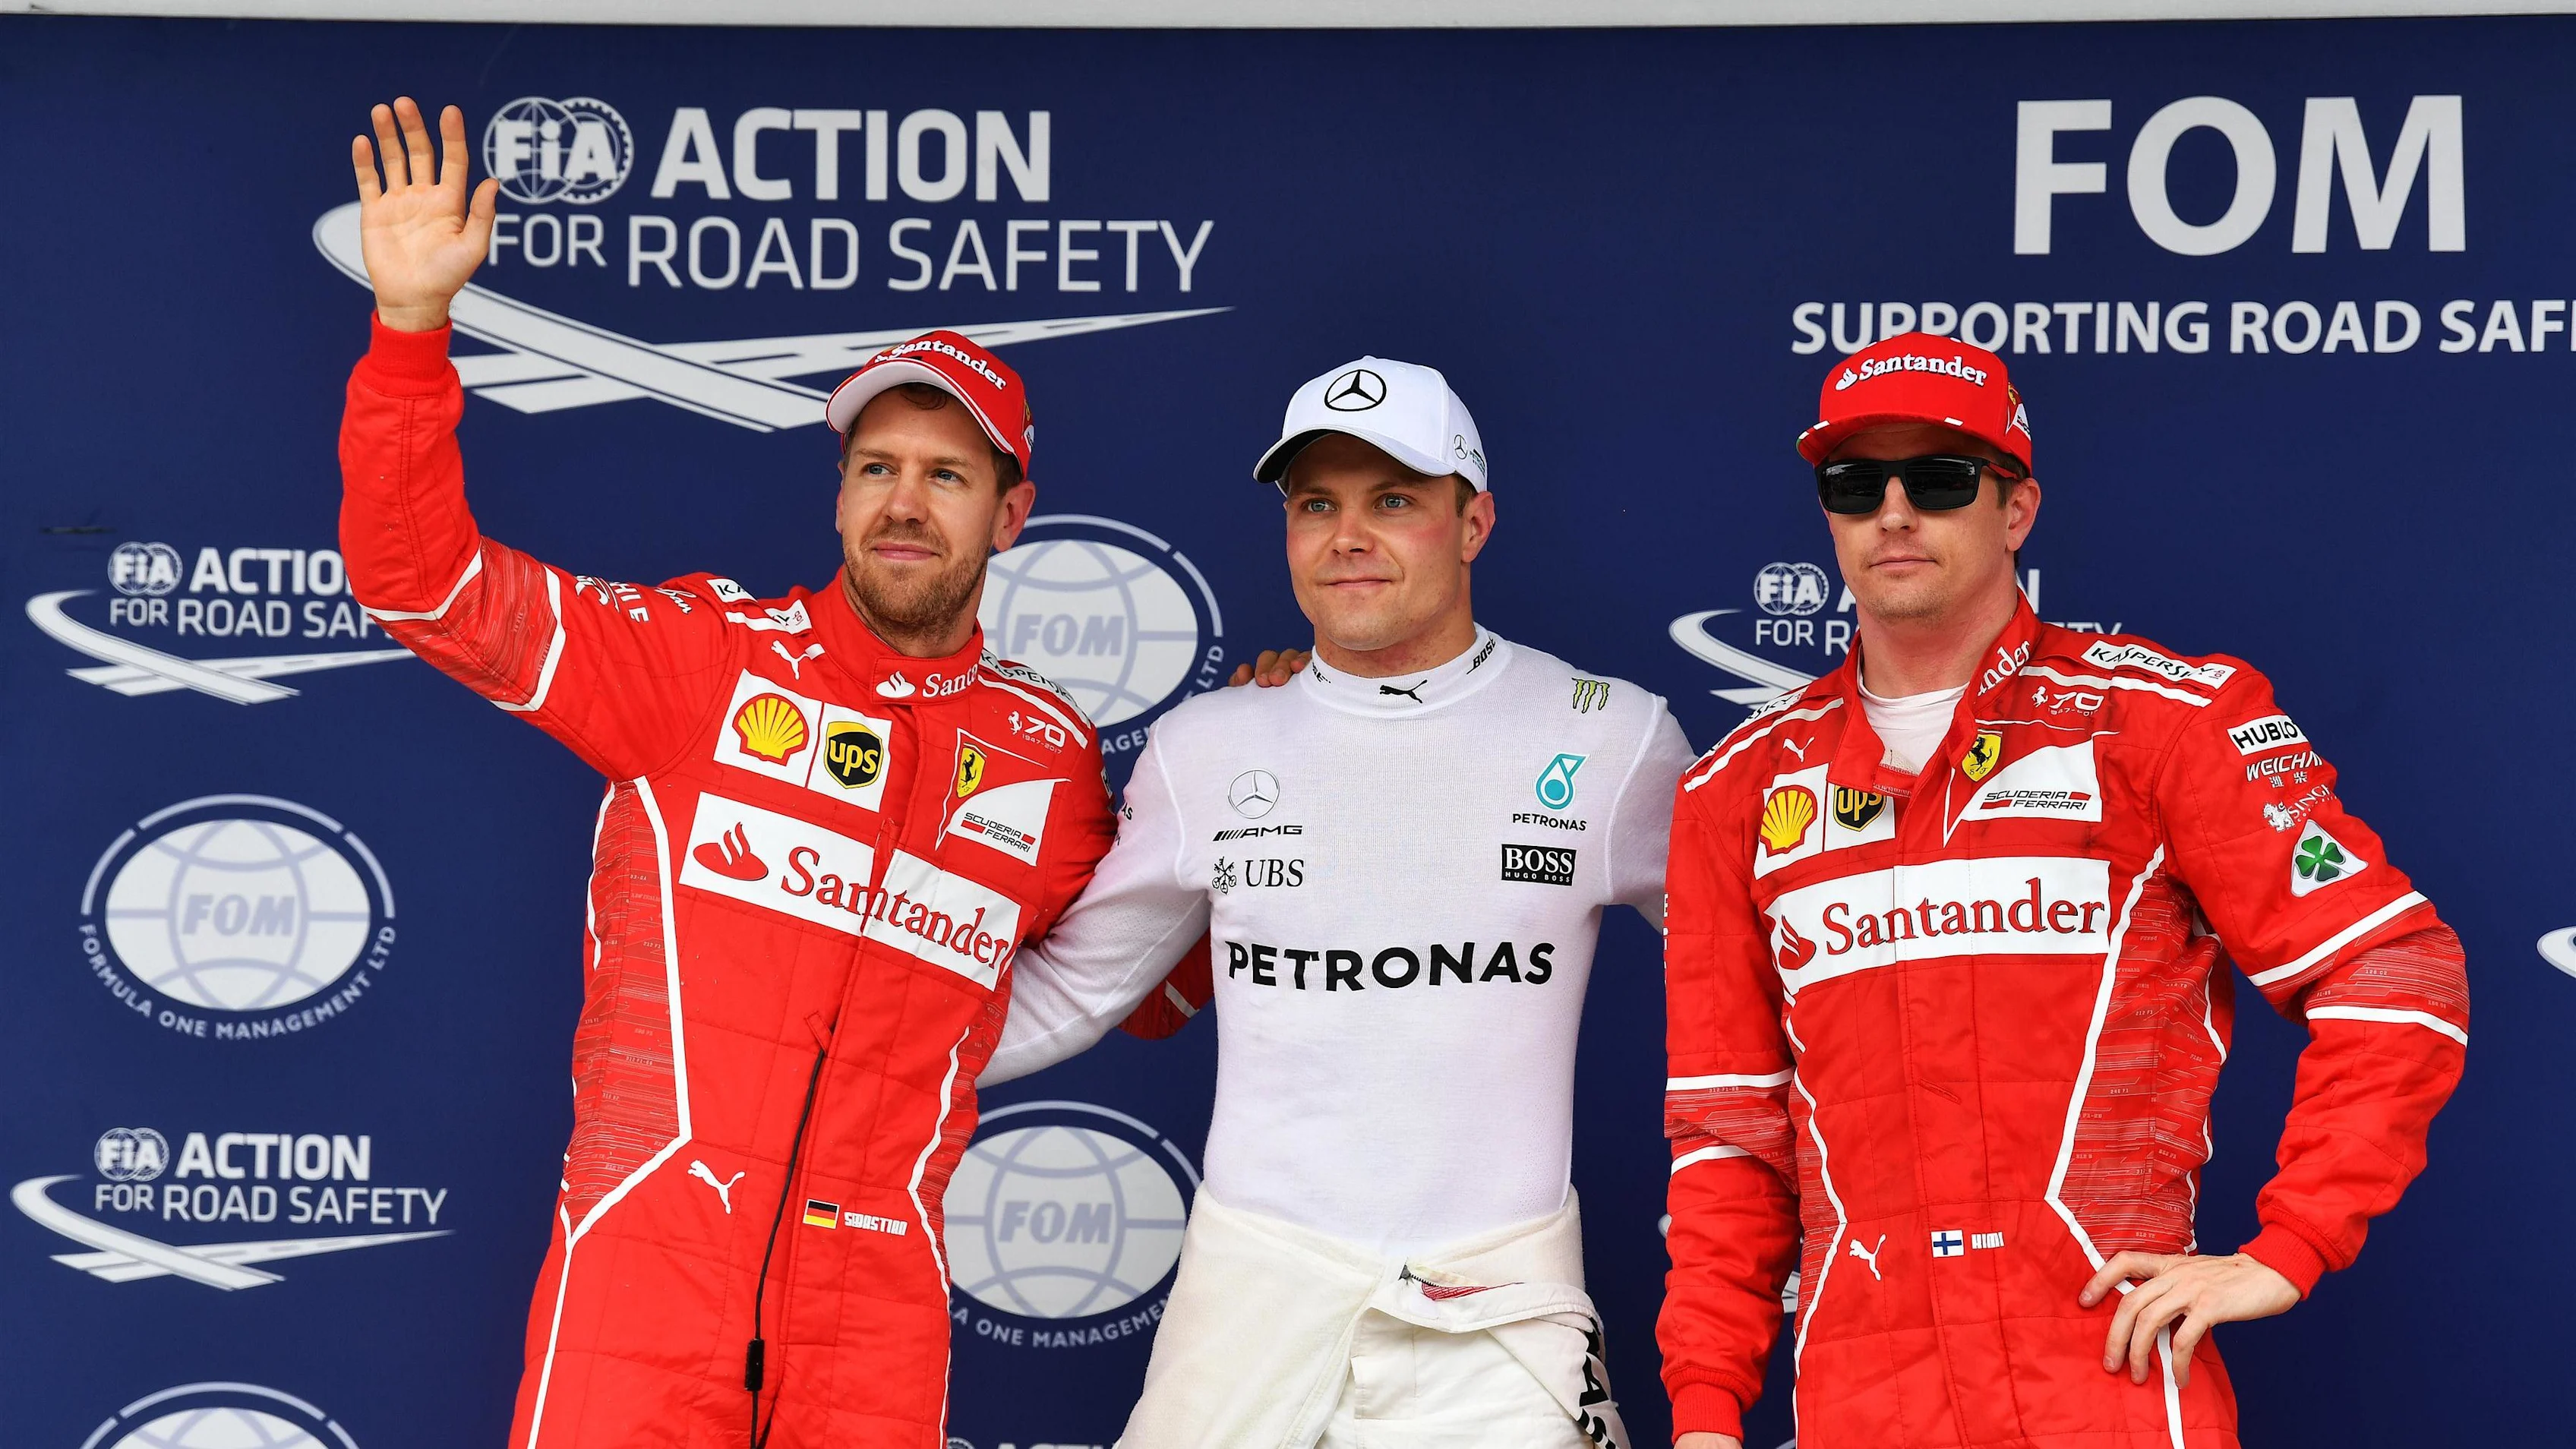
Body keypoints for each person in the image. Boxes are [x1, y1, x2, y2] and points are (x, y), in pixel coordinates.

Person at [340, 98, 1125, 1449]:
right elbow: (428, 585)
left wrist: (1280, 734)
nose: (901, 502)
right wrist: (412, 333)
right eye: (874, 466)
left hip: (876, 1309)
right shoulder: (704, 659)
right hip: (647, 1270)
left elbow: (1154, 961)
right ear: (835, 497)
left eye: (946, 475)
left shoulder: (1049, 760)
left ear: (1012, 514)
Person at [1656, 333, 2470, 1448]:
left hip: (2107, 1387)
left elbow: (2395, 970)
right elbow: (1728, 1135)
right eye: (1854, 485)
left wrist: (2290, 1246)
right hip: (1862, 1400)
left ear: (2017, 509)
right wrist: (1706, 1410)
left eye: (1938, 481)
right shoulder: (1738, 788)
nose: (1893, 513)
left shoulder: (2166, 721)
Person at [981, 356, 1697, 1449]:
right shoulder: (1207, 746)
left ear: (1474, 523)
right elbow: (1071, 992)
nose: (1347, 536)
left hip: (1497, 1314)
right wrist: (813, 1057)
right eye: (1317, 504)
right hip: (1250, 1304)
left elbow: (1776, 970)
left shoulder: (1611, 736)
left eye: (1394, 501)